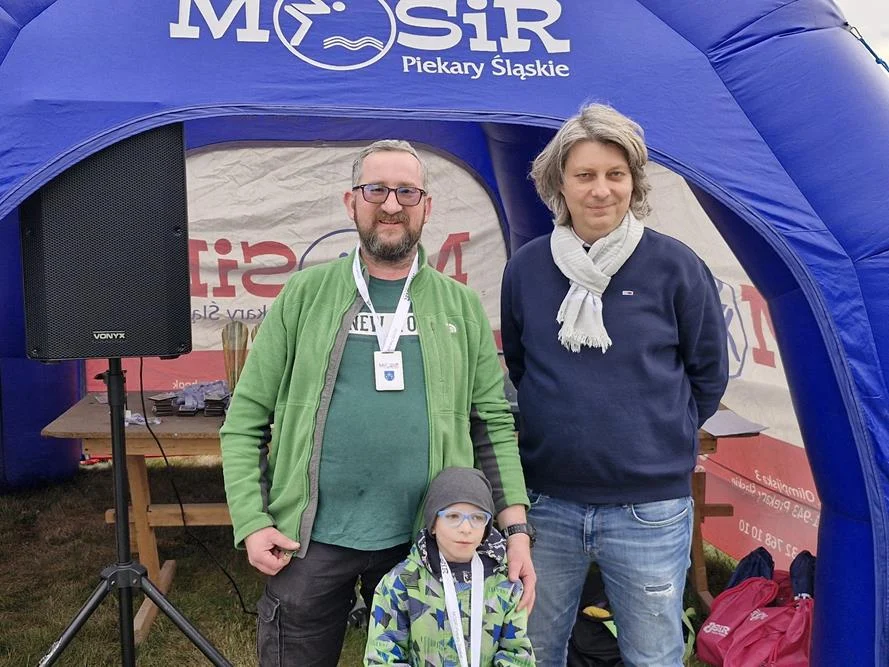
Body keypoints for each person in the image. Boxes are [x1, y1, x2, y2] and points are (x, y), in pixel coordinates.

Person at [220, 139, 535, 667]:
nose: (392, 204)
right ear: (352, 203)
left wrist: (517, 532)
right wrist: (252, 521)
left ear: (426, 207)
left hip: (427, 541)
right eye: (376, 190)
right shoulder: (305, 294)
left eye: (407, 192)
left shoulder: (459, 305)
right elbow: (245, 418)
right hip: (309, 539)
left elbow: (493, 426)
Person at [500, 104, 729, 666]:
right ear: (559, 183)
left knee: (652, 656)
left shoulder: (677, 267)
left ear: (634, 181)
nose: (601, 190)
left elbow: (707, 374)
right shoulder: (526, 268)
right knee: (532, 650)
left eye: (615, 174)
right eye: (585, 174)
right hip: (547, 503)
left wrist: (655, 438)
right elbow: (522, 367)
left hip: (650, 509)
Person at [365, 467, 535, 666]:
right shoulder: (399, 583)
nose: (466, 528)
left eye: (477, 517)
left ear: (486, 528)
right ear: (433, 524)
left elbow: (517, 655)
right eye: (453, 516)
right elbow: (382, 656)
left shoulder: (507, 585)